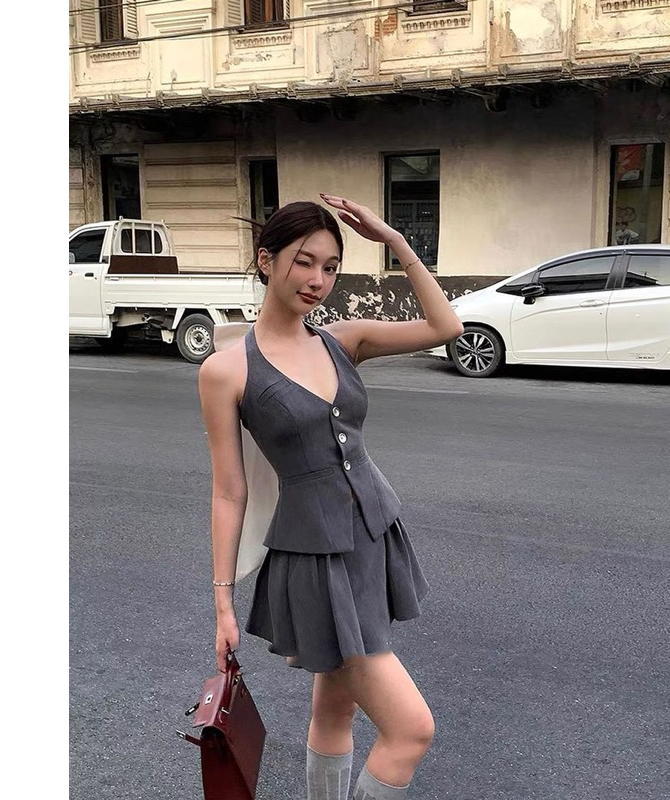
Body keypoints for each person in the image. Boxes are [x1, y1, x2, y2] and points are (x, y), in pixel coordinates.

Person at [197, 194, 464, 800]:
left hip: (373, 539)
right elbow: (229, 492)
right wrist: (222, 604)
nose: (318, 279)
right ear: (266, 260)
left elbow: (446, 328)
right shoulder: (227, 371)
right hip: (314, 559)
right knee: (411, 730)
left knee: (335, 708)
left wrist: (395, 241)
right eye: (304, 261)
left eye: (331, 266)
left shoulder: (343, 340)